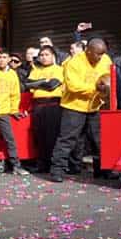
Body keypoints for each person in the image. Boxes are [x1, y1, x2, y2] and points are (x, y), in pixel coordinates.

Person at [48, 38, 112, 183]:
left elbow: (109, 77)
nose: (100, 57)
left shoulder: (106, 60)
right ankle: (57, 170)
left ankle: (103, 170)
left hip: (95, 106)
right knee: (67, 139)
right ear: (88, 51)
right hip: (74, 106)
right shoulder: (73, 62)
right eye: (97, 54)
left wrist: (106, 90)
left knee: (98, 140)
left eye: (102, 54)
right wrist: (95, 88)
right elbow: (73, 86)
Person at [26, 45, 63, 173]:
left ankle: (53, 164)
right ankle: (42, 164)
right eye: (41, 55)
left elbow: (52, 85)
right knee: (39, 135)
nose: (44, 57)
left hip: (53, 105)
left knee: (52, 135)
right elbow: (27, 84)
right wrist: (43, 82)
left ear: (53, 56)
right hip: (38, 105)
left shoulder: (59, 69)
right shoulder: (36, 70)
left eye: (47, 55)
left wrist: (37, 83)